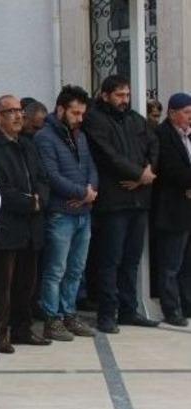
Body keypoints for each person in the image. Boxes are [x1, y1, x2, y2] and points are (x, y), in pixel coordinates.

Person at [83, 74, 161, 332]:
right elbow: (108, 156)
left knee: (131, 260)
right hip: (113, 202)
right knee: (110, 260)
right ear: (105, 95)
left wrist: (146, 173)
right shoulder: (95, 119)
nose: (124, 100)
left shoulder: (134, 118)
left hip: (138, 199)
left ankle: (129, 310)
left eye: (127, 95)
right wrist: (138, 174)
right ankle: (107, 313)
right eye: (119, 95)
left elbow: (153, 144)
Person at [0, 95, 52, 353]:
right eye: (11, 111)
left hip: (31, 225)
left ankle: (23, 328)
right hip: (7, 225)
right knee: (1, 285)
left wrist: (40, 198)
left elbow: (42, 176)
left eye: (20, 111)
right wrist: (28, 202)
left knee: (27, 283)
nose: (19, 116)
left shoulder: (27, 144)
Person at [35, 85, 100, 341]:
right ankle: (52, 318)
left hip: (83, 212)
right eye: (75, 113)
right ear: (60, 109)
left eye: (82, 113)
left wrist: (90, 191)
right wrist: (81, 192)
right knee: (56, 269)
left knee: (76, 268)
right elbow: (51, 175)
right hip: (61, 213)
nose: (79, 118)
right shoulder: (45, 137)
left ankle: (69, 312)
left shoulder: (80, 136)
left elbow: (91, 168)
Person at [153, 93, 191, 327]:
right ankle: (171, 308)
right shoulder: (163, 135)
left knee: (187, 264)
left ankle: (187, 303)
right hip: (172, 209)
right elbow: (173, 172)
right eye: (186, 112)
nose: (190, 117)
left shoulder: (188, 136)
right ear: (173, 113)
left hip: (188, 209)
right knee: (171, 264)